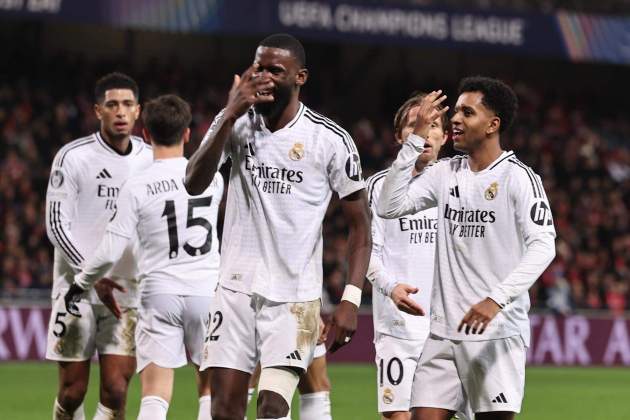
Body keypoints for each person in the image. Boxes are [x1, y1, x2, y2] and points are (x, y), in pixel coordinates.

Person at [185, 33, 371, 420]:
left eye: (276, 70)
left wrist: (350, 300)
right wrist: (230, 113)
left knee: (272, 407)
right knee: (223, 410)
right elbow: (193, 182)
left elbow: (361, 227)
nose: (265, 77)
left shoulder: (330, 140)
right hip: (234, 290)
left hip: (295, 298)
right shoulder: (235, 124)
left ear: (300, 77)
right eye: (259, 68)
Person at [377, 77, 556, 420]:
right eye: (455, 111)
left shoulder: (518, 178)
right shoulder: (445, 173)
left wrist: (495, 300)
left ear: (493, 125)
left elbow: (543, 245)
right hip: (442, 334)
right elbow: (389, 206)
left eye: (467, 112)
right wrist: (414, 139)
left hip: (495, 334)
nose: (455, 119)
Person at [64, 94, 222, 420]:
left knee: (155, 395)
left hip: (158, 293)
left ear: (146, 135)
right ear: (188, 134)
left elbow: (110, 248)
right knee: (210, 390)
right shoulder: (214, 180)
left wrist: (81, 282)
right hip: (206, 290)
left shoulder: (137, 186)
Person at [45, 72, 153, 420]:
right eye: (112, 105)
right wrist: (90, 276)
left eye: (126, 104)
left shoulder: (151, 160)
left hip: (126, 291)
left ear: (138, 111)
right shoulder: (73, 157)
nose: (120, 111)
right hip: (76, 289)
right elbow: (57, 226)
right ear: (97, 111)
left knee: (117, 390)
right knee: (73, 392)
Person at [366, 92, 447, 420]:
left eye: (434, 124)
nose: (426, 132)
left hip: (447, 330)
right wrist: (390, 287)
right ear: (401, 136)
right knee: (398, 416)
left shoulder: (458, 185)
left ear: (445, 135)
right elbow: (366, 254)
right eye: (417, 125)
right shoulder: (376, 187)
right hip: (397, 327)